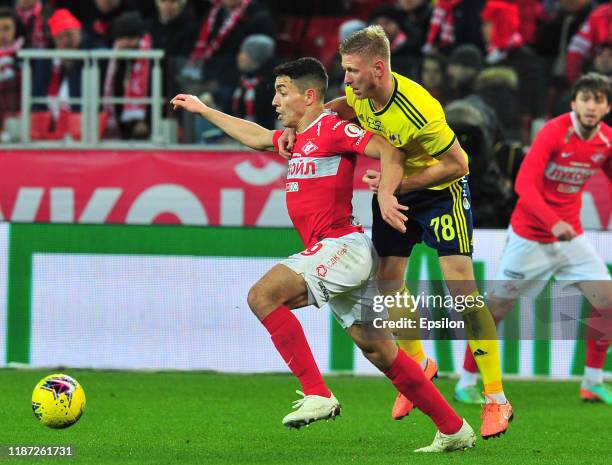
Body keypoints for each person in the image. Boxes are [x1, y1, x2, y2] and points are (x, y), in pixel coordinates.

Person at [171, 57, 476, 453]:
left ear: (309, 95)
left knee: (262, 296)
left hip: (341, 246)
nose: (275, 101)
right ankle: (454, 429)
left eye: (283, 92)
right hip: (336, 251)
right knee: (380, 351)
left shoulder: (331, 129)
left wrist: (386, 191)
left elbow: (384, 146)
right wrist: (203, 109)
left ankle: (317, 392)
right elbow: (258, 136)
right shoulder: (296, 136)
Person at [278, 25, 513, 439]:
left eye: (352, 70)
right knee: (387, 285)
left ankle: (496, 399)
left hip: (441, 193)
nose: (346, 78)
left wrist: (398, 188)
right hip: (393, 190)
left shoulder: (419, 108)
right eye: (345, 70)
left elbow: (459, 164)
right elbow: (338, 109)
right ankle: (421, 365)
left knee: (461, 287)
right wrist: (302, 126)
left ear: (379, 68)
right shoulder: (359, 94)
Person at [458, 72, 612, 404]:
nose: (590, 106)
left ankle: (592, 381)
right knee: (495, 310)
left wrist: (561, 226)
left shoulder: (606, 142)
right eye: (585, 98)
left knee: (608, 303)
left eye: (598, 100)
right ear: (574, 103)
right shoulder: (554, 133)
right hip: (529, 237)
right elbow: (523, 187)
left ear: (606, 107)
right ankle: (466, 381)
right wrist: (553, 222)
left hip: (570, 239)